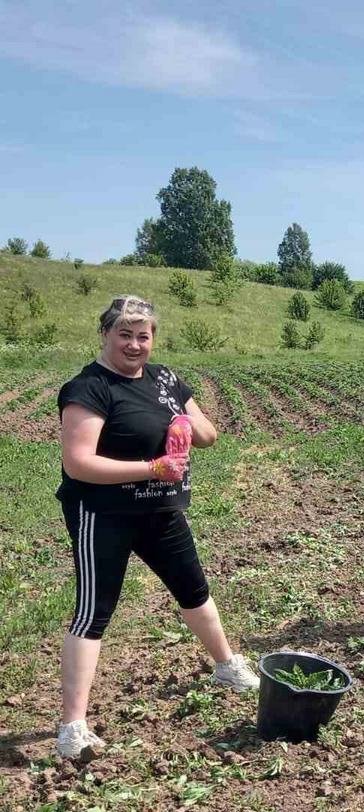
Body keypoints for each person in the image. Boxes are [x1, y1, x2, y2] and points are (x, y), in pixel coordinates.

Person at [56, 296, 259, 759]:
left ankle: (226, 665)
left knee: (194, 590)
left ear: (153, 339)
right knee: (94, 611)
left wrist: (186, 423)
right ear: (105, 334)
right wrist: (152, 468)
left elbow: (209, 436)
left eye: (142, 335)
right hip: (102, 515)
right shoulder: (88, 388)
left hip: (160, 510)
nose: (134, 344)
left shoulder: (165, 378)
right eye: (124, 334)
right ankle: (73, 727)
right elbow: (79, 464)